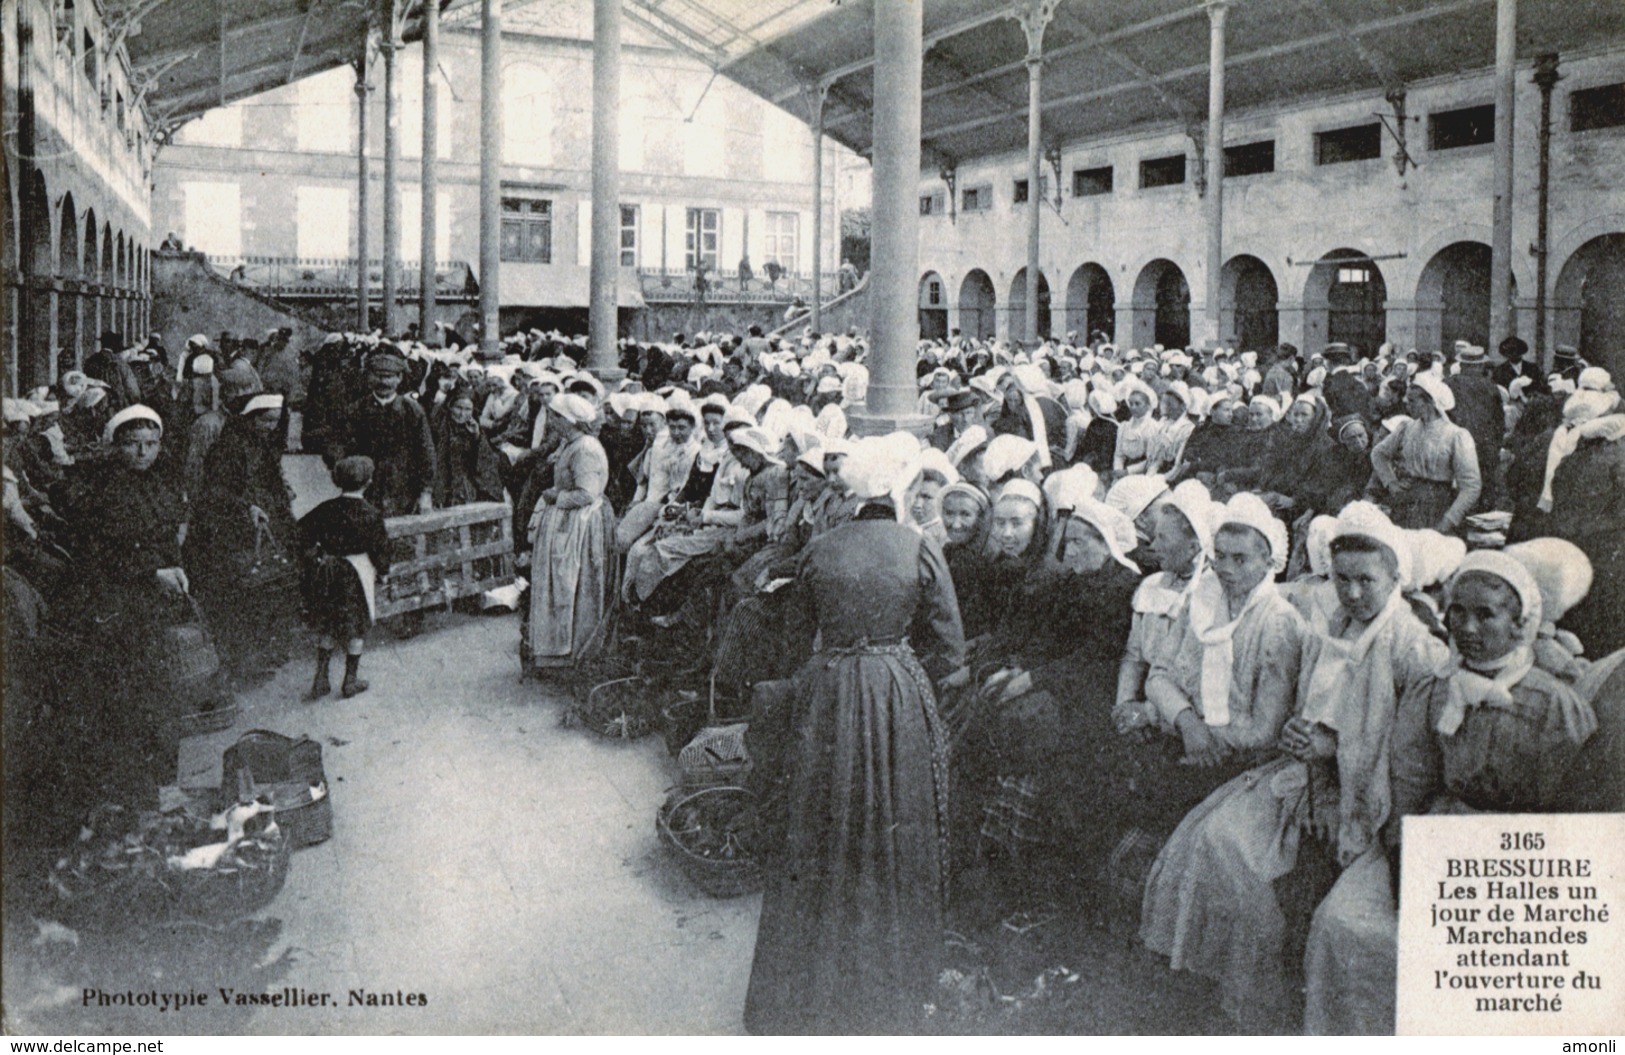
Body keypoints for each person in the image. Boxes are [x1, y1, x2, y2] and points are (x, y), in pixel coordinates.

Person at [1141, 504, 1447, 1031]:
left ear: (1395, 576)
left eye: (1366, 581)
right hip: (1309, 774)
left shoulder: (1414, 648)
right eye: (1341, 579)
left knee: (1272, 873)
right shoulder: (1331, 627)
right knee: (1219, 837)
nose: (1352, 594)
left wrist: (1332, 750)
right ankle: (1232, 987)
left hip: (1372, 792)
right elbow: (1304, 707)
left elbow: (1409, 753)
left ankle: (1282, 1003)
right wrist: (1303, 740)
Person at [1302, 549, 1600, 1034]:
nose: (1468, 627)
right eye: (1457, 612)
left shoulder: (1553, 707)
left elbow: (1575, 816)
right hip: (1437, 833)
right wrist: (1405, 863)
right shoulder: (1434, 690)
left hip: (1526, 857)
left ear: (1521, 623)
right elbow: (1410, 784)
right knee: (1344, 923)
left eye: (1486, 614)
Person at [743, 436, 965, 1034]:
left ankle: (812, 984)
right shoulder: (918, 548)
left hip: (830, 687)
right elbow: (948, 647)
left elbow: (796, 636)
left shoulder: (820, 548)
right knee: (895, 818)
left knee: (820, 820)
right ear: (895, 491)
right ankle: (888, 985)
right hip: (895, 689)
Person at [188, 393, 301, 681]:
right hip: (229, 530)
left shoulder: (261, 443)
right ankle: (243, 662)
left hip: (260, 521)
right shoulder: (228, 448)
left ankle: (262, 653)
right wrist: (245, 506)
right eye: (265, 420)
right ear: (249, 419)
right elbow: (214, 492)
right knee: (242, 595)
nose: (271, 427)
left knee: (265, 588)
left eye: (275, 421)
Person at [522, 394, 615, 673]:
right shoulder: (571, 444)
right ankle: (558, 651)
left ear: (569, 420)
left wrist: (556, 496)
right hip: (568, 521)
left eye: (556, 416)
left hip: (580, 524)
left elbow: (586, 494)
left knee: (573, 583)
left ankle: (574, 651)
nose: (551, 421)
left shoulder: (585, 448)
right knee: (561, 583)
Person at [297, 456, 393, 699]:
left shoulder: (326, 509)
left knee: (329, 624)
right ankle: (350, 679)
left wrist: (317, 554)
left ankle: (321, 678)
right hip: (357, 572)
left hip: (329, 571)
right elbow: (380, 549)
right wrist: (383, 572)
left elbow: (301, 531)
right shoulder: (371, 514)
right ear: (369, 482)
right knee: (355, 626)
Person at [328, 348, 437, 517]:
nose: (383, 382)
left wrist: (426, 492)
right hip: (364, 489)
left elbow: (426, 452)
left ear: (399, 378)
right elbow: (337, 446)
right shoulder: (355, 410)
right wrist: (347, 476)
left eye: (389, 377)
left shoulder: (412, 411)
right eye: (378, 376)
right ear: (369, 378)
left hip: (404, 488)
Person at [1367, 372, 1481, 532]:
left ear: (1430, 402)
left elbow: (1471, 485)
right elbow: (1378, 453)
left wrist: (1449, 520)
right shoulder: (1406, 427)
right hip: (1406, 502)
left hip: (1439, 506)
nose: (1407, 404)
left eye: (1412, 401)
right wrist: (1391, 483)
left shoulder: (1456, 435)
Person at [429, 387, 504, 508]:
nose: (462, 414)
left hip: (466, 484)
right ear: (450, 406)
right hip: (441, 483)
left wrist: (476, 437)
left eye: (467, 409)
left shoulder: (474, 428)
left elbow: (484, 463)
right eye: (458, 408)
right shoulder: (438, 428)